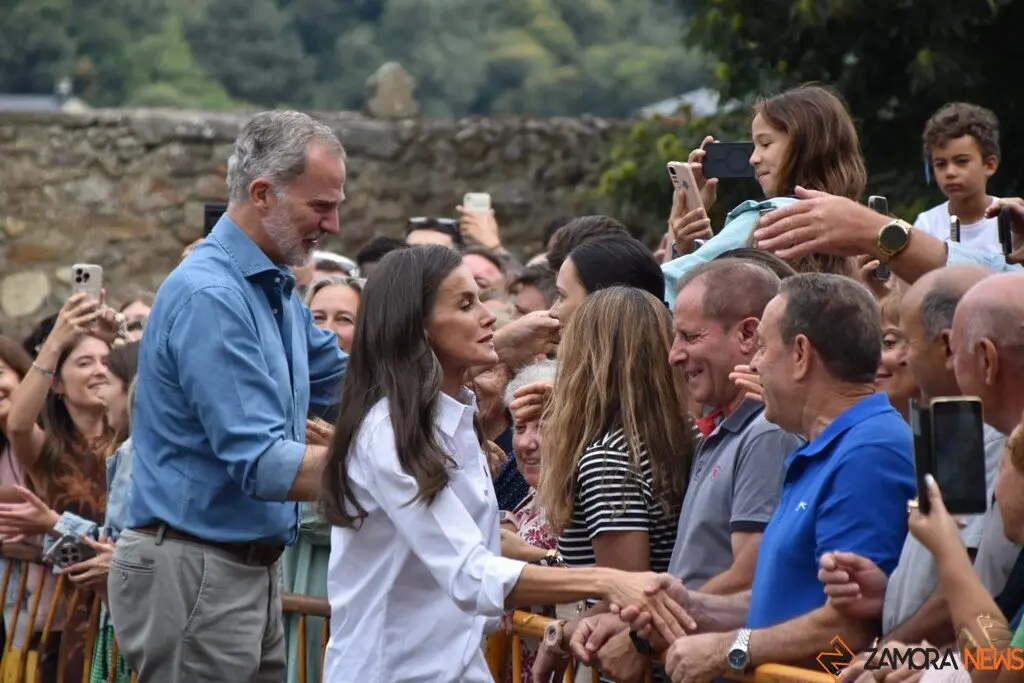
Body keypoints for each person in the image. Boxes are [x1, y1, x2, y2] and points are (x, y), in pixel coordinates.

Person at [319, 245, 685, 683]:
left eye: (479, 298)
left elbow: (484, 555)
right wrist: (607, 580)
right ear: (418, 327)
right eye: (465, 304)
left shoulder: (452, 417)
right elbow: (472, 574)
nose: (490, 316)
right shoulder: (391, 432)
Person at [109, 110, 349, 682]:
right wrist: (398, 464)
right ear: (262, 193)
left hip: (237, 569)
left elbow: (348, 377)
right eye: (321, 205)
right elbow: (263, 464)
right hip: (199, 570)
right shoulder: (213, 295)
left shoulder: (269, 287)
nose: (335, 224)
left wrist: (463, 354)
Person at [618, 273, 916, 682]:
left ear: (800, 354)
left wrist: (730, 650)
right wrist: (695, 607)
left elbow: (851, 631)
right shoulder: (828, 447)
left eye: (761, 347)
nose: (753, 363)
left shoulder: (868, 453)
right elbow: (789, 604)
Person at [662, 84, 866, 304]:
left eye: (766, 144)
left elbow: (668, 283)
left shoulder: (767, 218)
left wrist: (678, 219)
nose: (753, 159)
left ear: (807, 147)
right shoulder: (861, 226)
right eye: (753, 147)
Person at [913, 103, 1003, 253]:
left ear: (989, 165)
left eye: (961, 161)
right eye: (940, 164)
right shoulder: (926, 226)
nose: (950, 172)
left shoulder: (1012, 222)